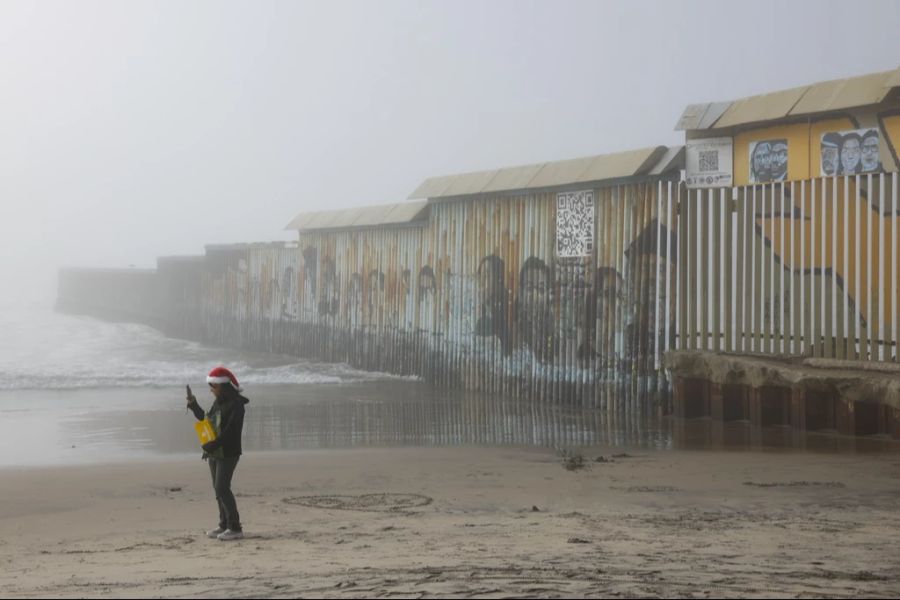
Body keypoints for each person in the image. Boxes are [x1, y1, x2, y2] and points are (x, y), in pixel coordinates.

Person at [186, 366, 250, 541]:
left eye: (213, 386)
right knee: (217, 489)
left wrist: (213, 444)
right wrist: (193, 404)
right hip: (215, 452)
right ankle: (223, 525)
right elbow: (207, 420)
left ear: (223, 386)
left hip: (229, 452)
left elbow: (231, 432)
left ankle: (235, 527)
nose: (211, 390)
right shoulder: (219, 403)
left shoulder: (237, 405)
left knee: (222, 487)